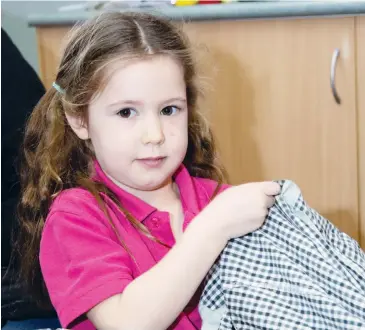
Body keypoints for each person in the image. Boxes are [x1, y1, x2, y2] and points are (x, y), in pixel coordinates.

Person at [15, 11, 280, 330]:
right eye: (126, 112)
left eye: (170, 110)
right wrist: (213, 227)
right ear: (80, 120)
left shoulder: (213, 199)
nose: (154, 134)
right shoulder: (76, 218)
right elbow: (126, 323)